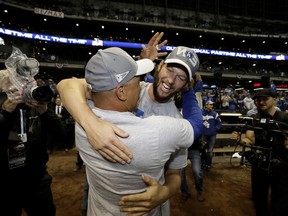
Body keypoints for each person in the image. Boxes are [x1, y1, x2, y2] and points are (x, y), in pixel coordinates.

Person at [57, 33, 202, 215]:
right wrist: (91, 123)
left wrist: (164, 192)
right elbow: (66, 85)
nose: (172, 80)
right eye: (171, 70)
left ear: (186, 85)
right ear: (160, 66)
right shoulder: (130, 88)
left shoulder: (176, 121)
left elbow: (174, 175)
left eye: (181, 78)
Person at [231, 89, 288, 216]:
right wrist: (241, 140)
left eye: (265, 99)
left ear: (275, 100)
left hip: (281, 166)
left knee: (280, 203)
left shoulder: (285, 118)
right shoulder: (254, 119)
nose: (261, 102)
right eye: (258, 99)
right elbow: (250, 139)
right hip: (260, 166)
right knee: (259, 200)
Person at [180, 137, 205, 202]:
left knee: (197, 171)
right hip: (181, 150)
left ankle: (200, 190)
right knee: (180, 173)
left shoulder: (195, 126)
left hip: (194, 148)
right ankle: (184, 192)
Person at [202, 100, 222, 170]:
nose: (212, 106)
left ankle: (208, 164)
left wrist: (215, 129)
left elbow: (219, 123)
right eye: (210, 104)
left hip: (212, 135)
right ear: (206, 105)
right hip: (203, 135)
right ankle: (203, 163)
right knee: (202, 150)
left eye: (212, 105)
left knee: (210, 151)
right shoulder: (201, 113)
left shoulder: (215, 114)